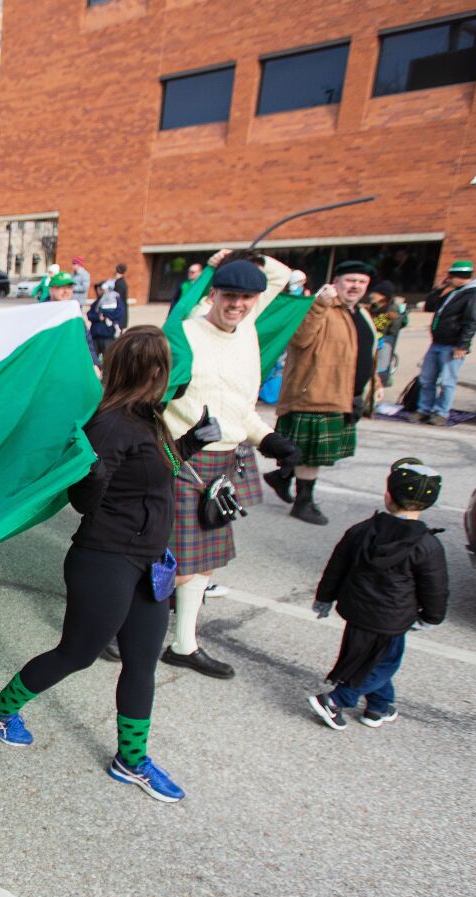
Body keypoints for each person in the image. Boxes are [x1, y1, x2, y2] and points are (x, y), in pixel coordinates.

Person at [0, 327, 217, 801]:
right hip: (104, 559)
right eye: (164, 367)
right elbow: (86, 501)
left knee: (142, 662)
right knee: (78, 654)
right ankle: (1, 706)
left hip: (149, 562)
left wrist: (191, 444)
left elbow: (153, 469)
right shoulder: (108, 425)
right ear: (151, 371)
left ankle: (131, 760)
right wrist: (91, 473)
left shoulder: (150, 418)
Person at [161, 251, 300, 679]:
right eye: (229, 294)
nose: (238, 304)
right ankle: (121, 624)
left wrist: (265, 437)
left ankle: (184, 644)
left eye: (247, 297)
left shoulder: (250, 334)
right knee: (165, 557)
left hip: (228, 459)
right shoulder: (183, 332)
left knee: (200, 563)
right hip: (182, 455)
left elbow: (240, 407)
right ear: (213, 293)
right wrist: (222, 259)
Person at [307, 459, 448, 730]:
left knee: (369, 659)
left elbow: (336, 566)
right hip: (392, 620)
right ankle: (336, 699)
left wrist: (324, 598)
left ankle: (378, 707)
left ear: (388, 496)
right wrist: (432, 617)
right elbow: (435, 586)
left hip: (357, 612)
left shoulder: (361, 531)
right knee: (382, 665)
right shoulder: (427, 545)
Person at [268, 261, 377, 526]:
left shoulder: (361, 313)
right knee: (312, 455)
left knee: (308, 452)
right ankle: (303, 503)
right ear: (336, 281)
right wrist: (318, 304)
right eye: (350, 280)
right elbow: (300, 338)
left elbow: (366, 352)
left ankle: (282, 477)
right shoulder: (320, 307)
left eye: (361, 282)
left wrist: (375, 385)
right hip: (316, 394)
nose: (355, 286)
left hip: (345, 394)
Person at [412, 260, 476, 426]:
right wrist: (438, 289)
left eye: (451, 276)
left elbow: (472, 321)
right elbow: (430, 306)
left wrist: (463, 345)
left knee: (446, 381)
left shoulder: (474, 295)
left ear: (461, 277)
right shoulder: (453, 292)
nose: (448, 279)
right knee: (427, 379)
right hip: (437, 342)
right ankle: (423, 409)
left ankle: (440, 412)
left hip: (453, 345)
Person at [366, 281, 408, 410]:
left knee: (380, 370)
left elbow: (380, 325)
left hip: (385, 343)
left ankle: (375, 401)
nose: (372, 295)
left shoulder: (392, 309)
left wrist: (371, 320)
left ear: (384, 296)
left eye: (376, 293)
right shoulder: (375, 306)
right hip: (374, 341)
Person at [87, 279, 126, 365]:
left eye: (101, 289)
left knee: (108, 360)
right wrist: (98, 317)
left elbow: (119, 314)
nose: (99, 291)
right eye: (98, 289)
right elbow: (89, 315)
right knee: (92, 360)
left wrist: (106, 316)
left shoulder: (116, 300)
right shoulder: (96, 303)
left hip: (108, 336)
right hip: (95, 335)